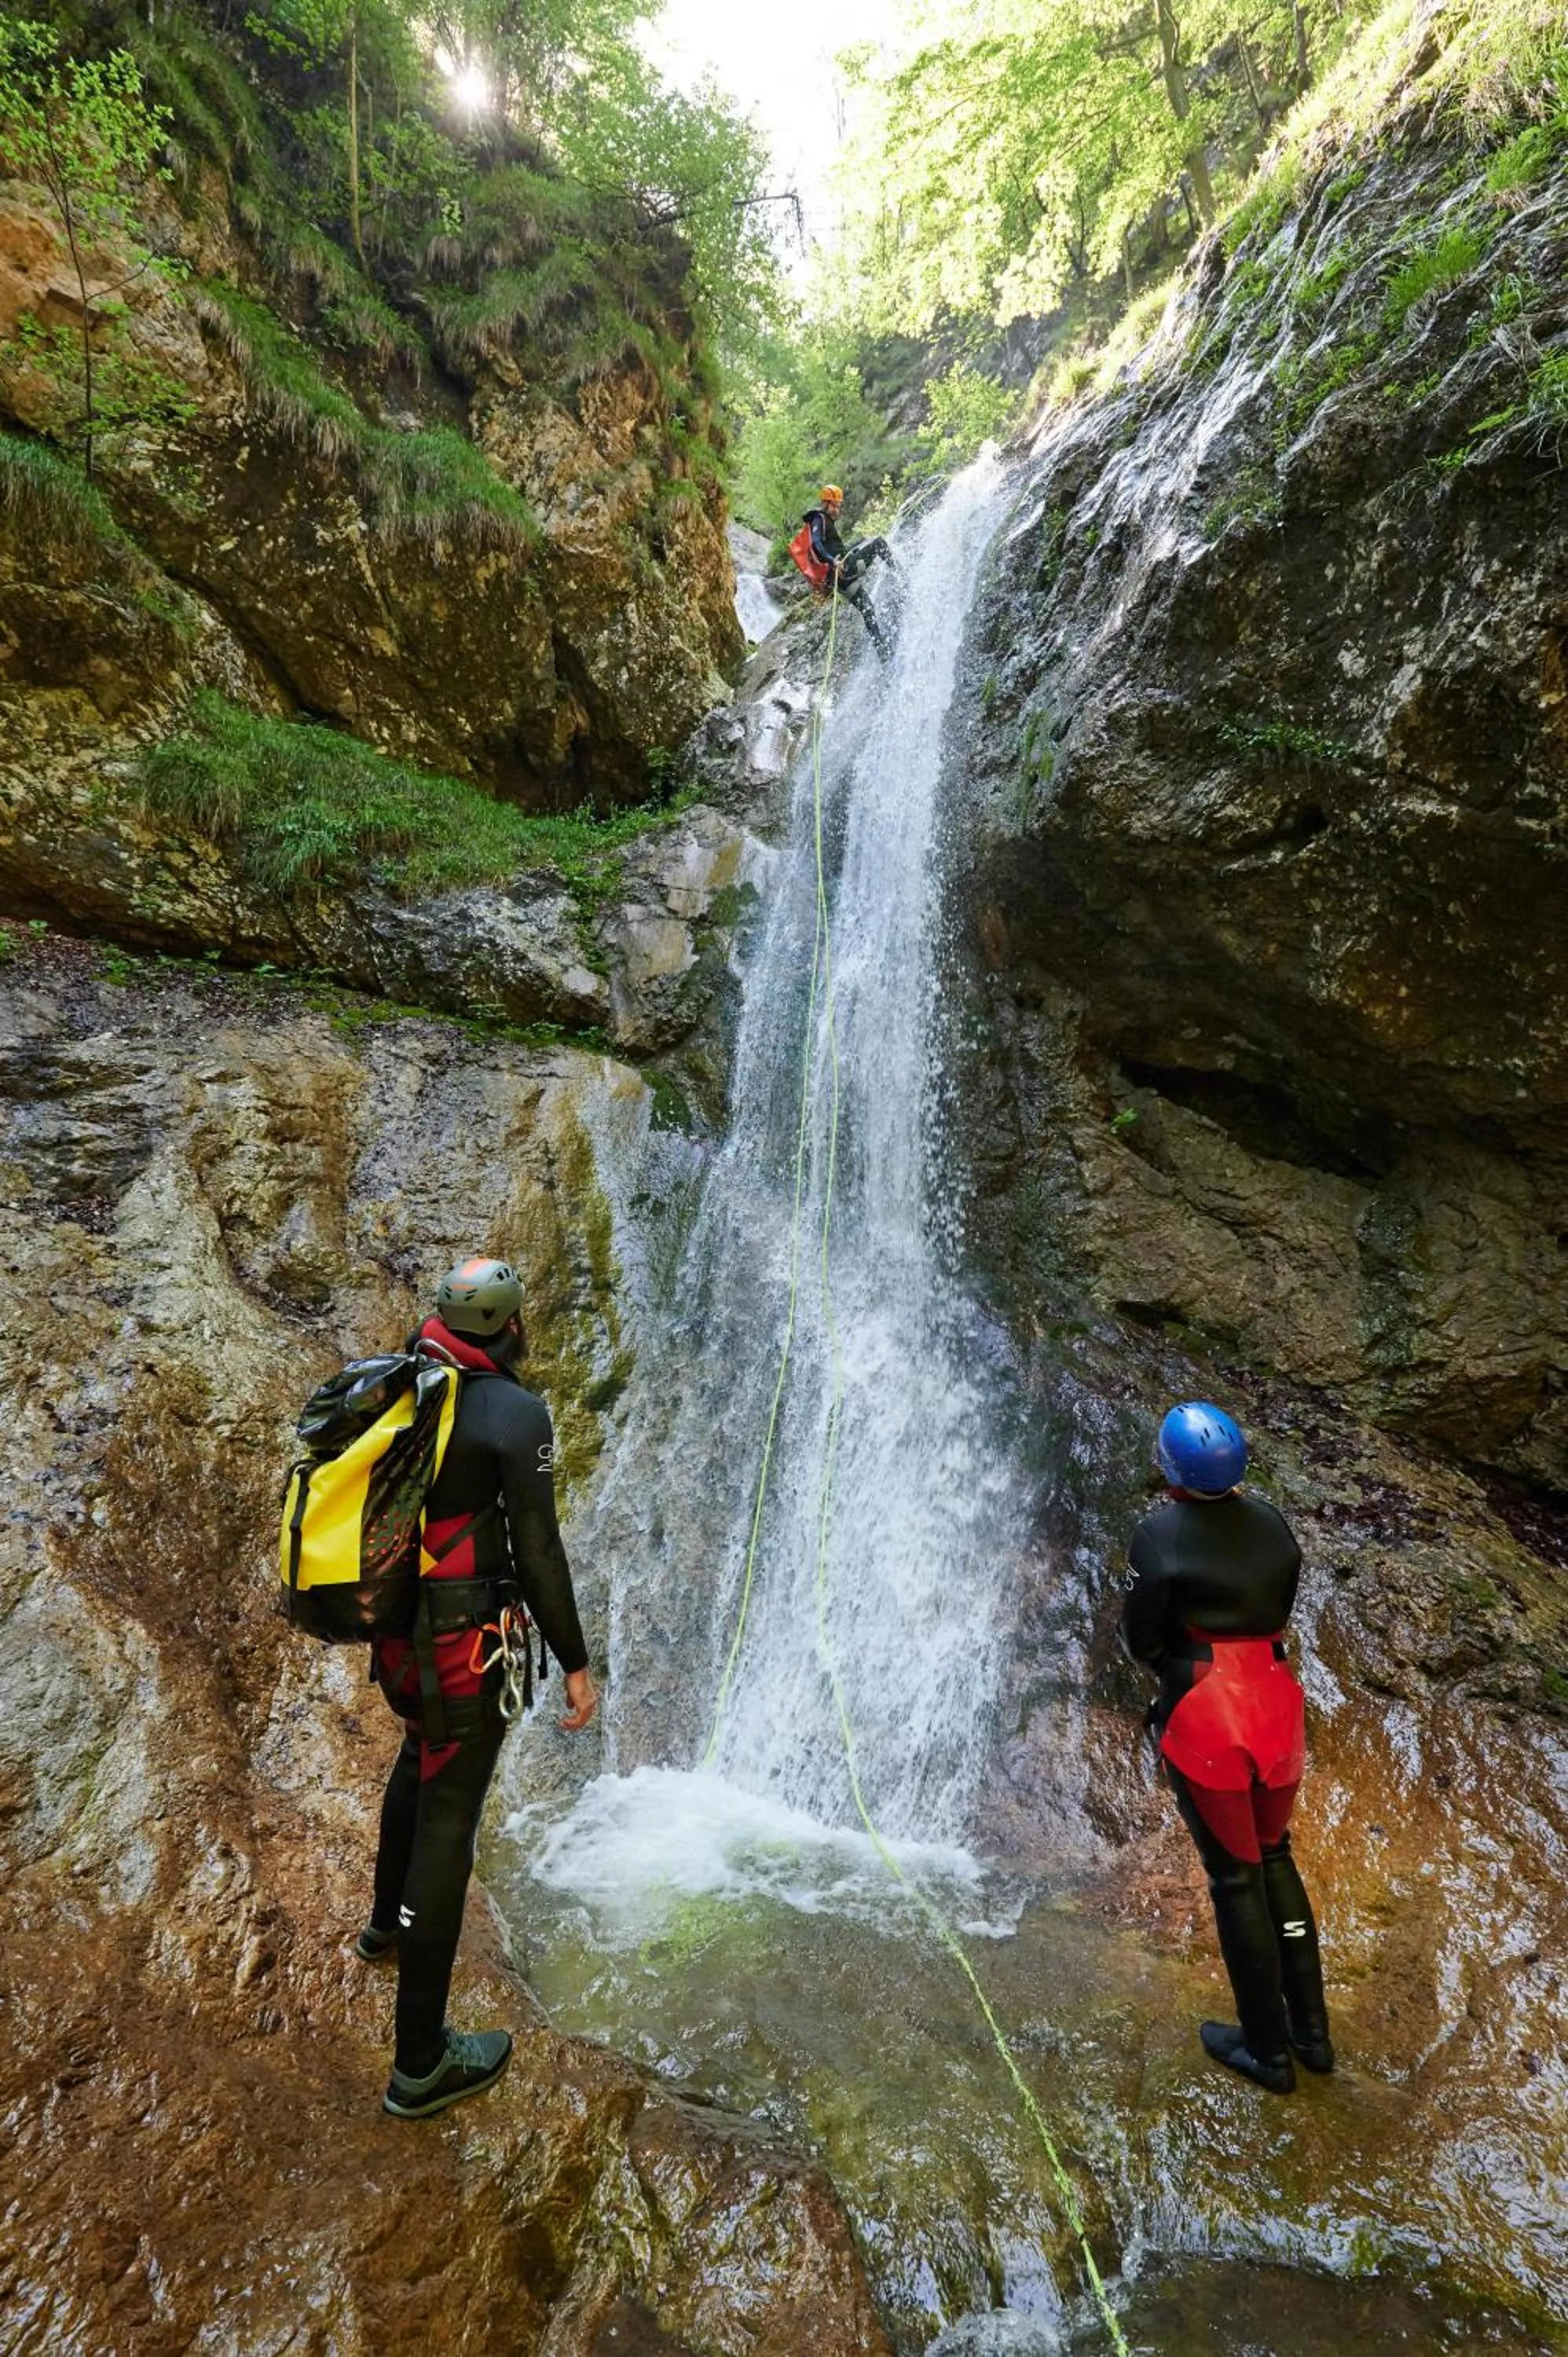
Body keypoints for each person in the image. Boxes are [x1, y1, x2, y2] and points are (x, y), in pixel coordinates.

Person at [360, 1254, 599, 2120]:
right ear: (509, 1324)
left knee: (417, 1753)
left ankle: (384, 1925)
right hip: (461, 1648)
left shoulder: (397, 1381)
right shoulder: (511, 1414)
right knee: (449, 1821)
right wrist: (575, 1663)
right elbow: (537, 1553)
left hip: (397, 1637)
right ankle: (421, 2064)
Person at [1121, 1401, 1333, 2094]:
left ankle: (1266, 2052)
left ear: (1170, 1468)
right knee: (1275, 1857)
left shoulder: (1159, 1536)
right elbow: (1282, 1603)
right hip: (1274, 1700)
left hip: (1208, 1709)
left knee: (1234, 1876)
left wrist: (1173, 1669)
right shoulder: (1273, 1524)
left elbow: (1142, 1636)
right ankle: (1312, 2034)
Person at [796, 482, 893, 656]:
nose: (837, 510)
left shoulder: (825, 522)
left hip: (840, 580)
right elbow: (816, 544)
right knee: (879, 543)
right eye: (835, 505)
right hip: (843, 569)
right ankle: (901, 577)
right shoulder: (818, 519)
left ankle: (882, 651)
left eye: (839, 506)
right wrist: (834, 562)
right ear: (825, 503)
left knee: (867, 608)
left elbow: (831, 548)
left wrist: (855, 546)